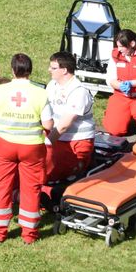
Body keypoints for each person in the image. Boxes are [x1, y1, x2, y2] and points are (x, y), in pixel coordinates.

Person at [0, 53, 49, 244]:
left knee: (1, 186)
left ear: (12, 70)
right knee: (31, 188)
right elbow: (48, 123)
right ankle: (29, 234)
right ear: (30, 71)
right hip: (32, 148)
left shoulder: (0, 90)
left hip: (4, 145)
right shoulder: (41, 93)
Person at [42, 51, 95, 182]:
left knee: (49, 171)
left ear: (64, 70)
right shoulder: (52, 85)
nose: (49, 70)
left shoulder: (78, 92)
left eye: (53, 68)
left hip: (75, 143)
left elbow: (65, 125)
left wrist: (47, 143)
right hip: (57, 137)